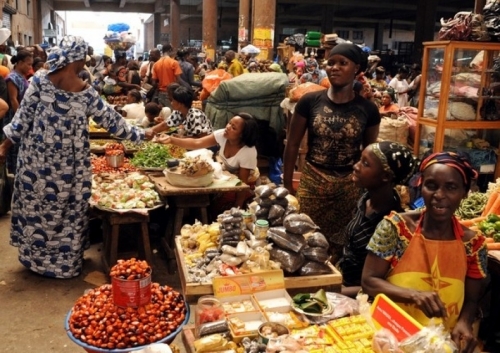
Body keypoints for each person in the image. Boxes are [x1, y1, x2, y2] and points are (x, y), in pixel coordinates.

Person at [0, 35, 146, 279]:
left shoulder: (39, 81)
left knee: (38, 207)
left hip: (37, 161)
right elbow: (116, 125)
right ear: (76, 59)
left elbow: (21, 120)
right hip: (71, 165)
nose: (84, 63)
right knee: (69, 210)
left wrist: (5, 146)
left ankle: (36, 261)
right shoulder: (86, 93)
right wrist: (144, 135)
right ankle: (64, 265)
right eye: (83, 59)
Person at [361, 152, 488, 352]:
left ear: (465, 192)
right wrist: (414, 295)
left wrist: (464, 322)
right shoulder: (396, 228)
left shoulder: (473, 244)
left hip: (439, 343)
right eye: (431, 186)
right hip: (388, 336)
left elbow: (471, 299)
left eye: (451, 187)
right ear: (421, 187)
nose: (439, 195)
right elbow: (368, 281)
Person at [283, 43, 380, 262]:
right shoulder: (310, 101)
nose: (334, 67)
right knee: (304, 238)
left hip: (349, 185)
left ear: (356, 68)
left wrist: (369, 190)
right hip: (313, 180)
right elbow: (292, 144)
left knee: (341, 244)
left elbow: (369, 153)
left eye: (342, 63)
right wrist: (287, 184)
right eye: (331, 63)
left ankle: (334, 288)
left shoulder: (368, 109)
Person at [337, 141, 418, 296]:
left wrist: (333, 291)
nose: (356, 166)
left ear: (385, 177)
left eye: (365, 164)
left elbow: (376, 284)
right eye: (360, 160)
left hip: (360, 297)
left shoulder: (390, 224)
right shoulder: (365, 200)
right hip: (342, 281)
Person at [155, 113, 258, 208]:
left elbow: (243, 185)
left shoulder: (248, 152)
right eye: (229, 123)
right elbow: (197, 143)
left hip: (245, 183)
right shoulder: (223, 134)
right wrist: (172, 140)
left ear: (242, 135)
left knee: (220, 205)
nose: (228, 127)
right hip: (228, 176)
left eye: (233, 127)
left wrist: (238, 206)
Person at [3, 49, 33, 174]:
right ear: (20, 63)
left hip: (22, 116)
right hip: (15, 117)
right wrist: (20, 118)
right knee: (14, 146)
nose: (30, 67)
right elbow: (13, 99)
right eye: (28, 64)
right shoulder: (12, 78)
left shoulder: (22, 77)